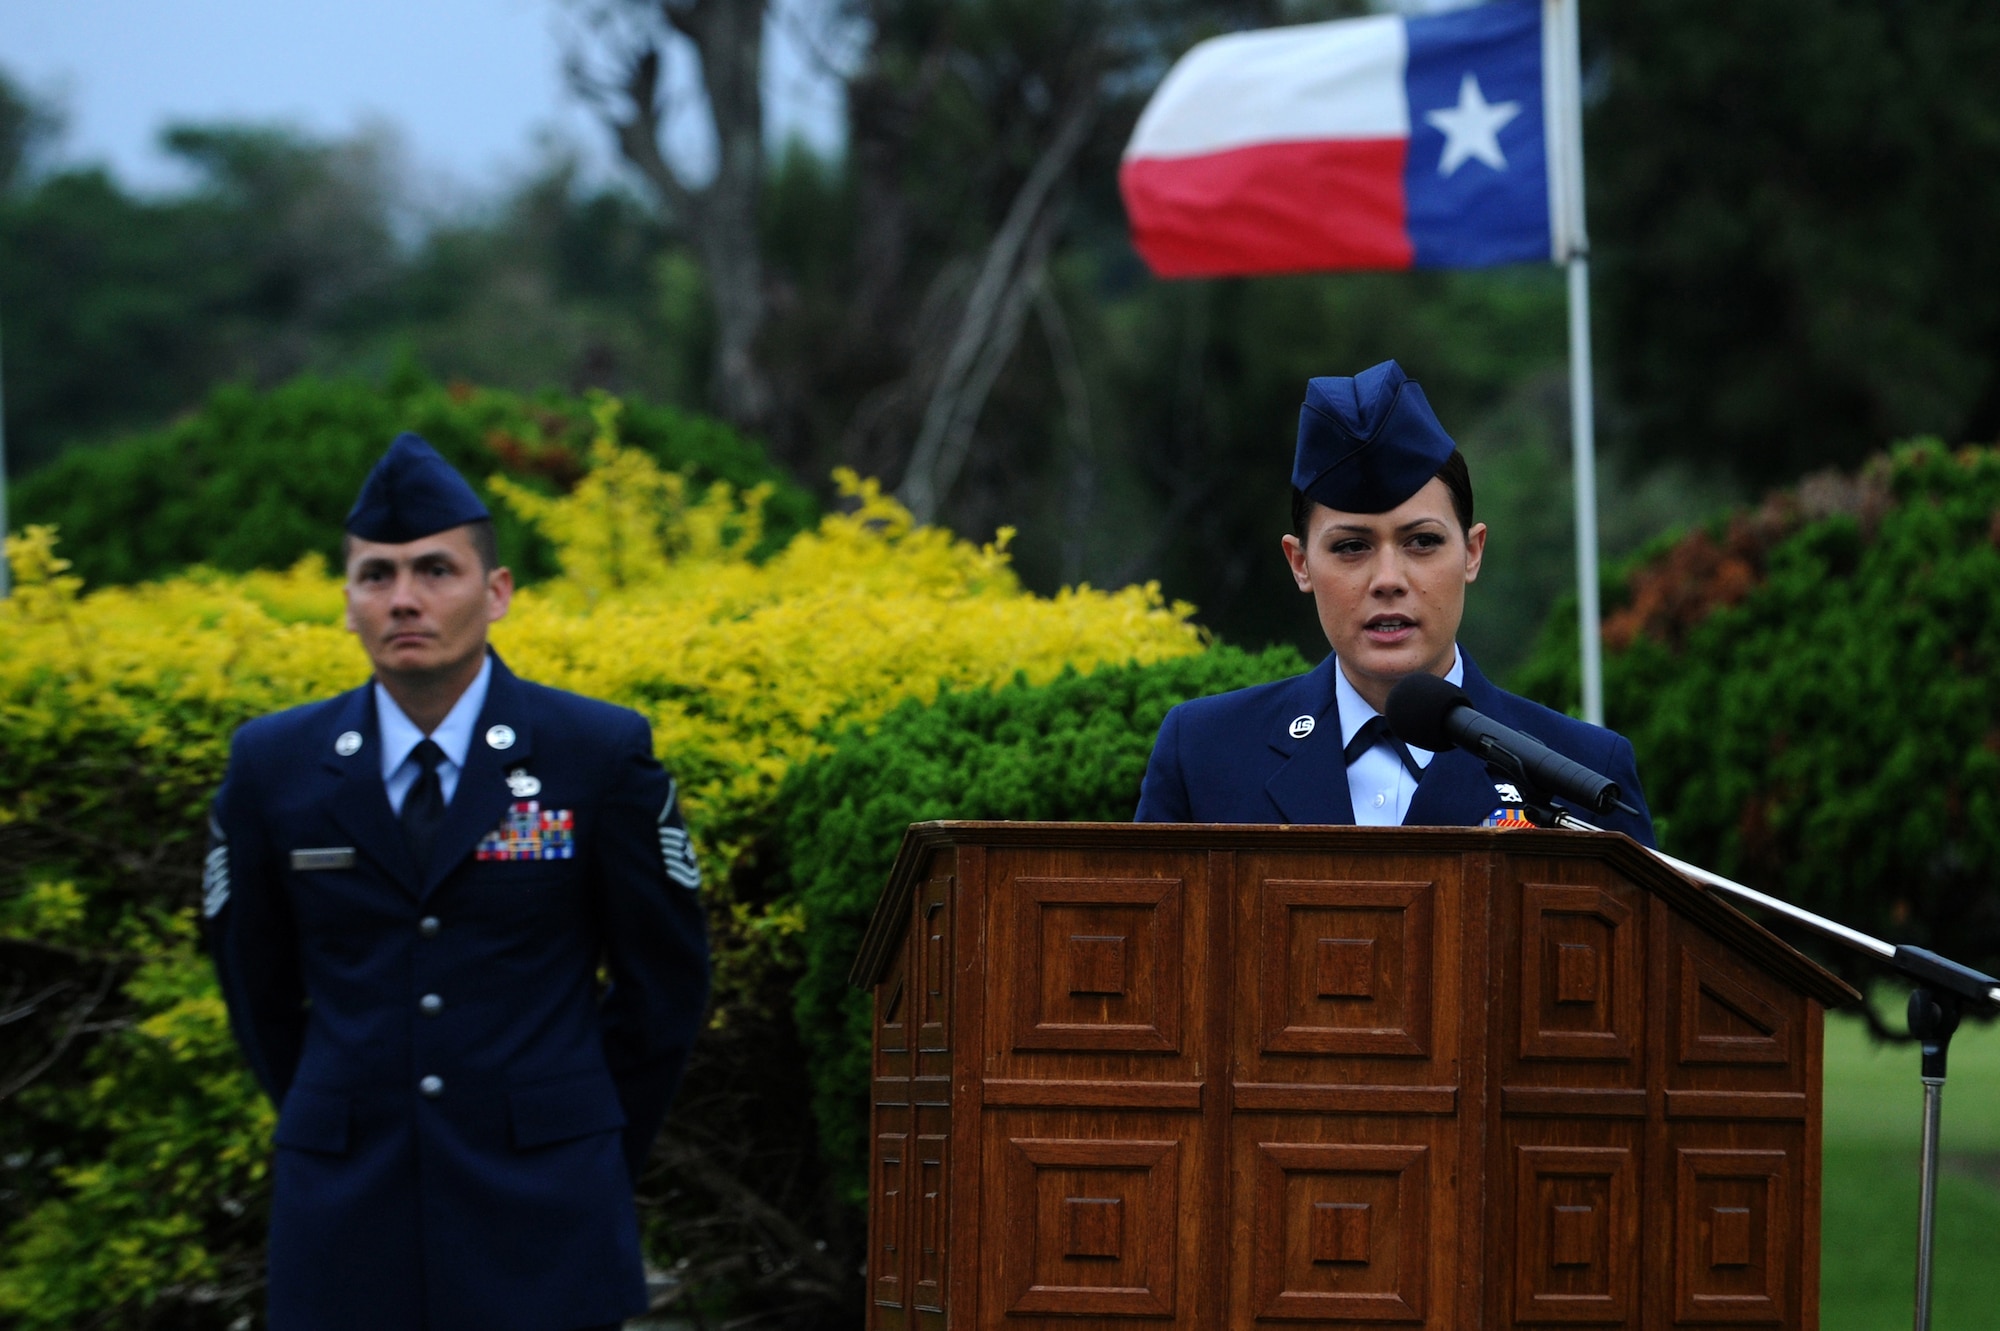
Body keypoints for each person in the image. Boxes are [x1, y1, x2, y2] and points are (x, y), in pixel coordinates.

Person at [203, 434, 711, 1331]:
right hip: (349, 1210)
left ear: (498, 591)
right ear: (349, 602)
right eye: (376, 575)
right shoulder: (274, 765)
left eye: (436, 570)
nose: (405, 599)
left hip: (546, 1209)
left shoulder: (594, 754)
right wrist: (342, 1108)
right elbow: (255, 981)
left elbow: (664, 984)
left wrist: (580, 1135)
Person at [1135, 360, 1655, 845]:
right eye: (1351, 547)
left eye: (1422, 542)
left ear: (1472, 553)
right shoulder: (1206, 754)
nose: (1388, 580)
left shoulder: (1581, 771)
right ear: (1300, 564)